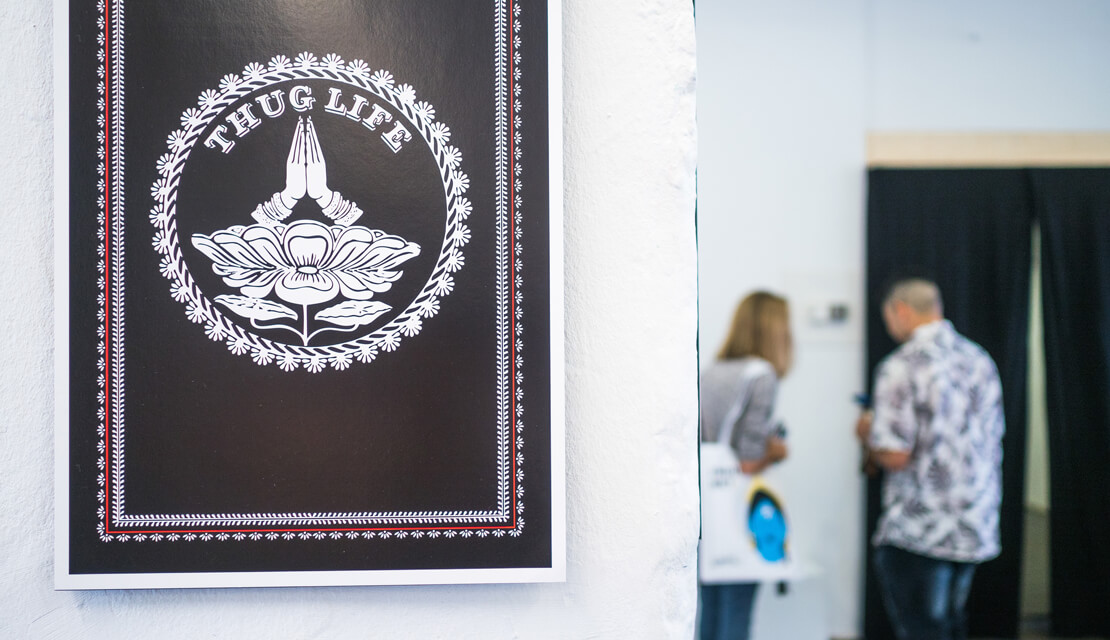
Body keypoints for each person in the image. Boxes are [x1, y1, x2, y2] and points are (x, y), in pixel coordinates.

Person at [856, 278, 1004, 640]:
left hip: (922, 527)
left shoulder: (901, 366)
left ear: (900, 311)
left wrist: (868, 434)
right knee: (951, 622)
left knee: (923, 628)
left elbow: (894, 455)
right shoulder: (979, 359)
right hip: (974, 519)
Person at [699, 292, 793, 640]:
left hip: (707, 511)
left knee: (711, 609)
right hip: (738, 511)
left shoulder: (712, 371)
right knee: (737, 610)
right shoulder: (761, 375)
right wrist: (775, 452)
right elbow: (749, 462)